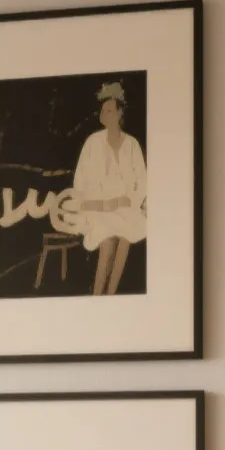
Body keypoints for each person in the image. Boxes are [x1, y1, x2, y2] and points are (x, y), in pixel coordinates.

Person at [71, 81, 147, 295]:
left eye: (111, 110)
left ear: (120, 112)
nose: (106, 115)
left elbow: (142, 180)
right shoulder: (92, 142)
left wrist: (129, 200)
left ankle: (111, 294)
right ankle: (97, 295)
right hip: (96, 208)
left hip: (123, 207)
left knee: (127, 236)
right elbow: (80, 181)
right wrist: (96, 202)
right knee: (108, 240)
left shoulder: (132, 144)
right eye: (104, 111)